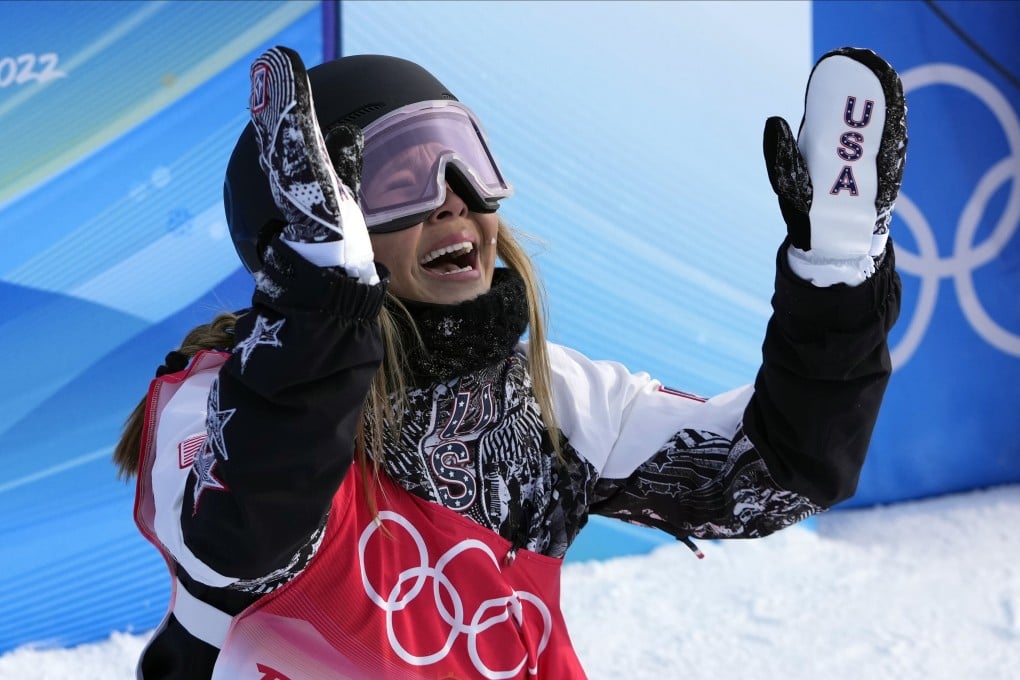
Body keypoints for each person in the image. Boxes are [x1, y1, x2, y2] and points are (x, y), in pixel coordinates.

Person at [114, 44, 906, 679]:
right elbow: (237, 546)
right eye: (398, 179)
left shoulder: (548, 393)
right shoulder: (216, 401)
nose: (453, 198)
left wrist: (835, 283)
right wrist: (321, 309)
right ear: (304, 230)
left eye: (462, 162)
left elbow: (771, 478)